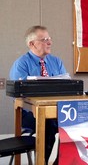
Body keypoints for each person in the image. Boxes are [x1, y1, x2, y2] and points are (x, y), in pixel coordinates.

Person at [10, 25, 67, 164]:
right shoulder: (21, 64)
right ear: (32, 44)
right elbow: (21, 94)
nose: (49, 42)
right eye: (44, 39)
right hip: (28, 112)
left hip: (55, 110)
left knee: (73, 124)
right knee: (49, 125)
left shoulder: (57, 62)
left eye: (49, 38)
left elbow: (66, 86)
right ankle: (43, 162)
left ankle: (60, 162)